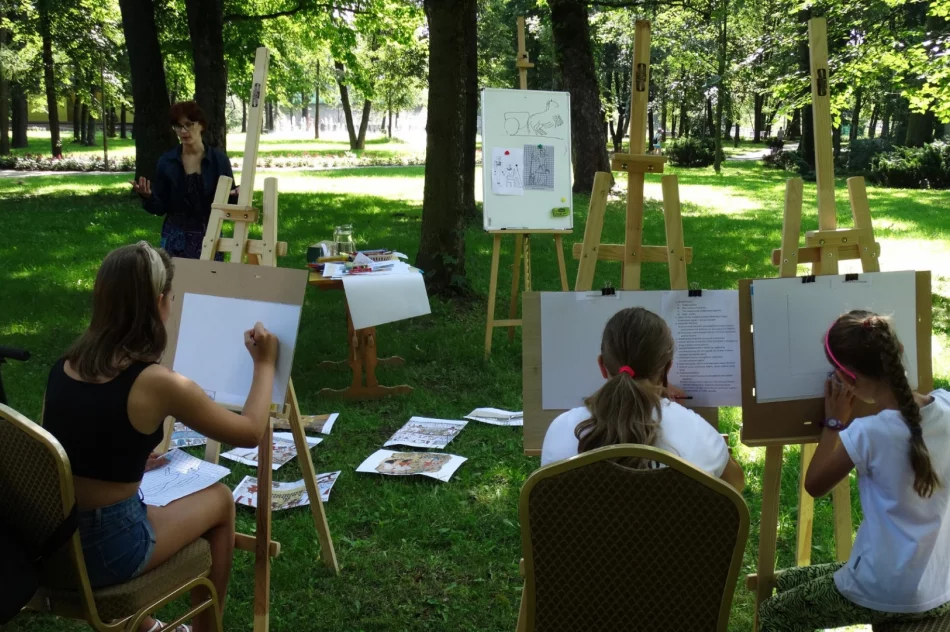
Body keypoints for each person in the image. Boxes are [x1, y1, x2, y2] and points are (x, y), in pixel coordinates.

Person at [42, 242, 278, 632]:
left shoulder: (64, 366)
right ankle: (206, 629)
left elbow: (73, 447)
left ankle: (146, 625)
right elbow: (250, 431)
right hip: (107, 548)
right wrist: (265, 364)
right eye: (170, 297)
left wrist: (133, 457)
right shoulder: (156, 384)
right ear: (158, 303)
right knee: (219, 501)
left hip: (54, 543)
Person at [759, 310, 950, 631]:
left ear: (848, 380)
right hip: (939, 582)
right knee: (790, 578)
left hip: (885, 589)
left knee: (775, 613)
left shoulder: (867, 433)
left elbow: (815, 484)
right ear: (899, 350)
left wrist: (833, 423)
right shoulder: (945, 405)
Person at [540, 307, 746, 492]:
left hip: (582, 535)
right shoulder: (699, 433)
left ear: (602, 366)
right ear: (667, 369)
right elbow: (735, 484)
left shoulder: (561, 430)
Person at [131, 102, 237, 259]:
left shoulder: (218, 160)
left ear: (201, 125)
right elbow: (160, 207)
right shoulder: (167, 161)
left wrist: (237, 194)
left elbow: (229, 202)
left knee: (210, 282)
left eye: (189, 124)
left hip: (210, 235)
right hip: (175, 239)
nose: (183, 131)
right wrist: (147, 196)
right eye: (178, 126)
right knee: (174, 282)